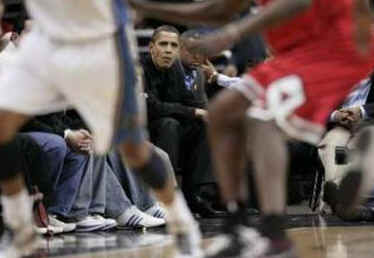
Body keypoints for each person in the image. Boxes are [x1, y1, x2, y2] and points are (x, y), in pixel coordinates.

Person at [130, 0, 374, 257]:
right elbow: (218, 10)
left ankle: (274, 233)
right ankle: (238, 226)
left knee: (261, 120)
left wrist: (232, 33)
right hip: (298, 52)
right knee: (222, 113)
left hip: (336, 45)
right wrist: (147, 8)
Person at [0, 1, 202, 257]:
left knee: (133, 149)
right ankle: (19, 226)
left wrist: (201, 15)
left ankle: (180, 220)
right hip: (44, 46)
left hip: (95, 50)